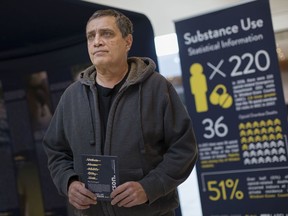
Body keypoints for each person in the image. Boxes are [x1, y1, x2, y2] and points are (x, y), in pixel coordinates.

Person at [43, 9, 198, 216]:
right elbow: (56, 150)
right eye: (91, 36)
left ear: (128, 42)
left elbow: (184, 149)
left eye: (106, 33)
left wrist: (149, 187)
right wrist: (68, 182)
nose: (97, 41)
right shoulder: (71, 96)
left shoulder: (157, 88)